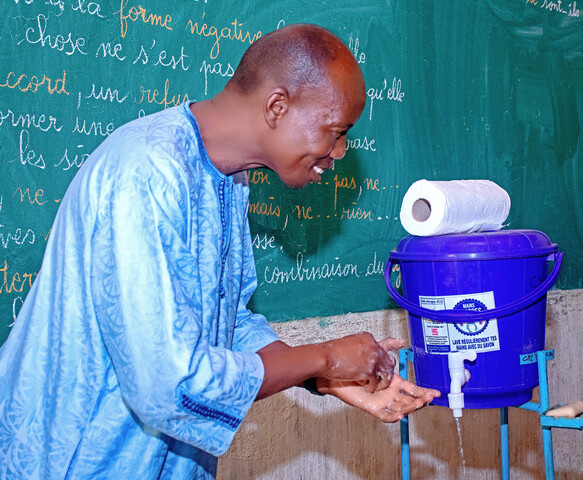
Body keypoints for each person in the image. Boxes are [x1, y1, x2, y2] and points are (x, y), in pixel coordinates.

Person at [0, 24, 439, 479]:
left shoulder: (227, 178)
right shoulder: (148, 174)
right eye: (336, 131)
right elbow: (170, 383)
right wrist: (326, 355)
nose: (340, 152)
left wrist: (322, 376)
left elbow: (227, 323)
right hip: (70, 460)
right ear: (277, 106)